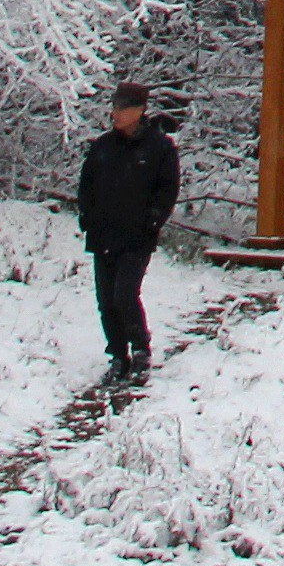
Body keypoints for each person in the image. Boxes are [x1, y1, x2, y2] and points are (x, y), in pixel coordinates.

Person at [74, 79, 180, 381]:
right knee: (106, 299)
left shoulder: (160, 148)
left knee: (124, 293)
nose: (116, 114)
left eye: (123, 108)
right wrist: (88, 218)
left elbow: (167, 189)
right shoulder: (103, 147)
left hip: (137, 237)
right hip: (103, 234)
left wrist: (153, 221)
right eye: (114, 107)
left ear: (140, 110)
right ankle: (118, 356)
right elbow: (87, 186)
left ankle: (141, 349)